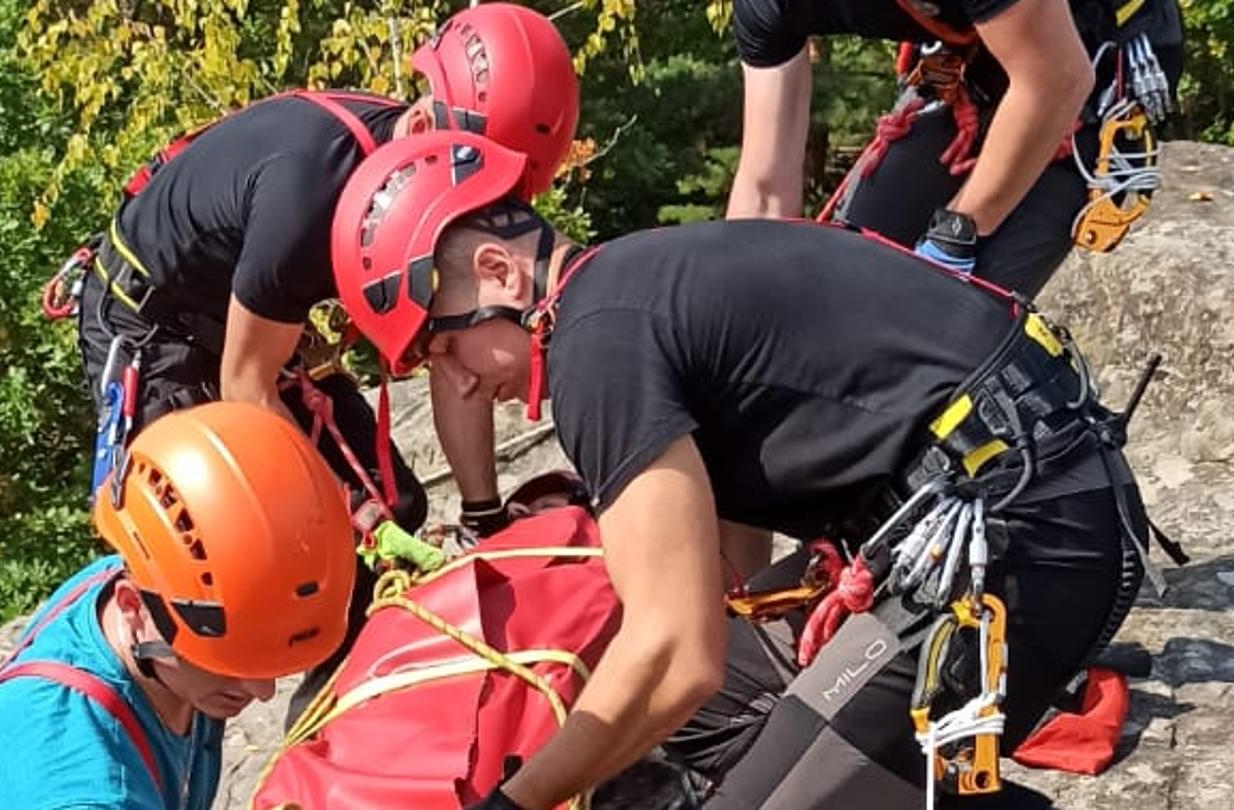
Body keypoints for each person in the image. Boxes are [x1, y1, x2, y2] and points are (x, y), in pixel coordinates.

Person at [328, 131, 1157, 809]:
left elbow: (676, 654)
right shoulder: (628, 288)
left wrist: (517, 803)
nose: (460, 384)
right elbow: (701, 626)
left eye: (446, 347)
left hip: (1021, 540)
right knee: (692, 719)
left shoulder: (595, 345)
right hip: (1011, 505)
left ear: (500, 274)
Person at [74, 1, 580, 536]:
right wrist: (340, 515)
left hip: (247, 319)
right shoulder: (310, 199)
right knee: (233, 542)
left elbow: (452, 351)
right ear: (421, 124)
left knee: (398, 506)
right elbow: (246, 385)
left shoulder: (430, 178)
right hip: (152, 325)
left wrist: (484, 519)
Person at [0, 401, 358, 810]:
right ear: (133, 606)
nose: (263, 691)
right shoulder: (97, 791)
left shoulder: (142, 582)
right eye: (228, 660)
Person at [724, 0, 1182, 297]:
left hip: (1089, 61)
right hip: (970, 54)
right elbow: (764, 194)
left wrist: (953, 238)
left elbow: (1057, 80)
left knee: (941, 331)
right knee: (846, 288)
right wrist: (726, 308)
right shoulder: (768, 6)